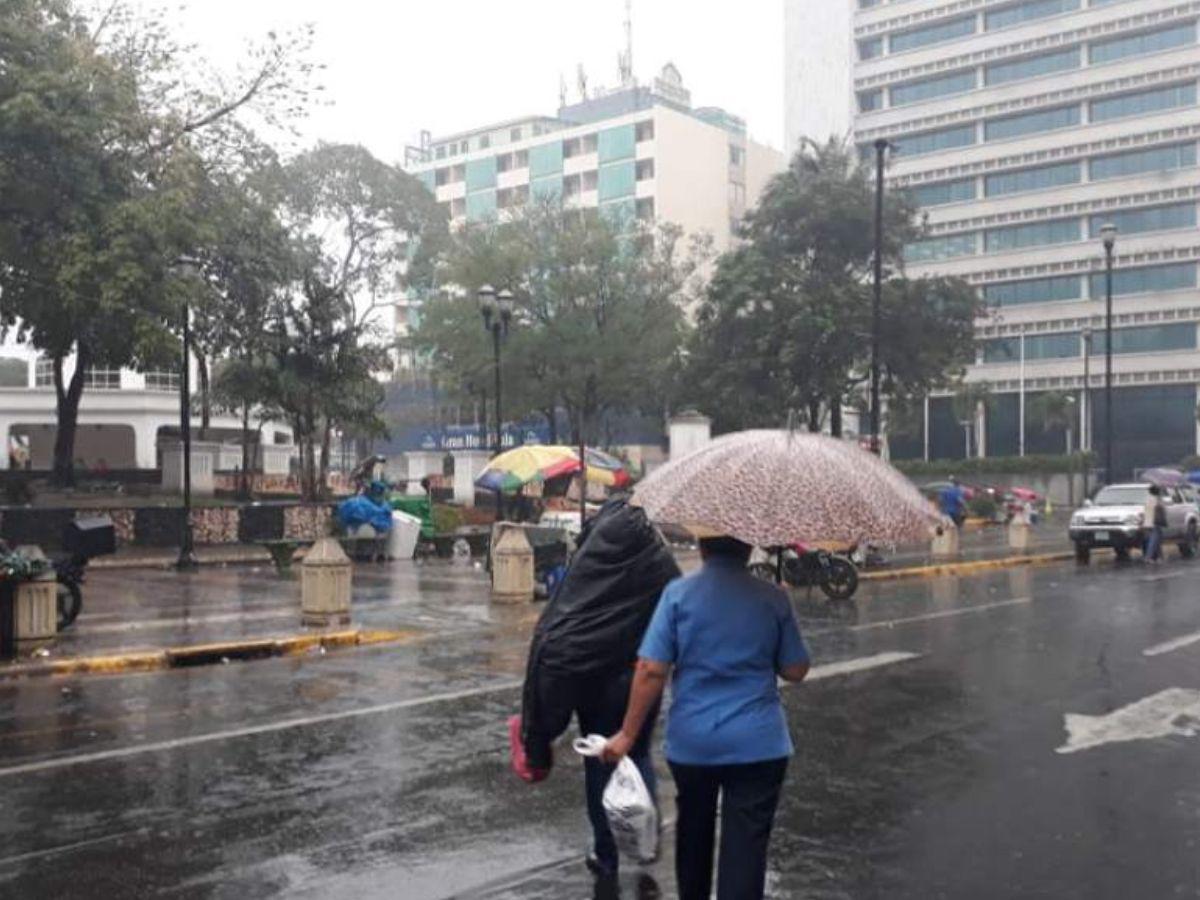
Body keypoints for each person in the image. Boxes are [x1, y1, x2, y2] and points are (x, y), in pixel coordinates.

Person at [602, 536, 810, 900]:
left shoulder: (678, 595)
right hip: (758, 744)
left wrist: (627, 735)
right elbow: (795, 669)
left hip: (693, 743)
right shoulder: (773, 598)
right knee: (746, 847)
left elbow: (651, 669)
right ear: (749, 549)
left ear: (702, 547)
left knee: (693, 832)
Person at [519, 497, 681, 887]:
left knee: (599, 761)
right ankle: (646, 837)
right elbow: (675, 612)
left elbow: (557, 631)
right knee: (637, 750)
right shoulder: (658, 561)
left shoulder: (588, 564)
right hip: (640, 677)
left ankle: (606, 854)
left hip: (593, 680)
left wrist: (538, 731)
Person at [1144, 485, 1166, 563]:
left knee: (1157, 540)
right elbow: (1161, 508)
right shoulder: (1156, 500)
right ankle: (1148, 557)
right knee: (1154, 540)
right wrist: (1160, 498)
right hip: (1155, 522)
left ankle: (1159, 557)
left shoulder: (1148, 499)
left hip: (1148, 522)